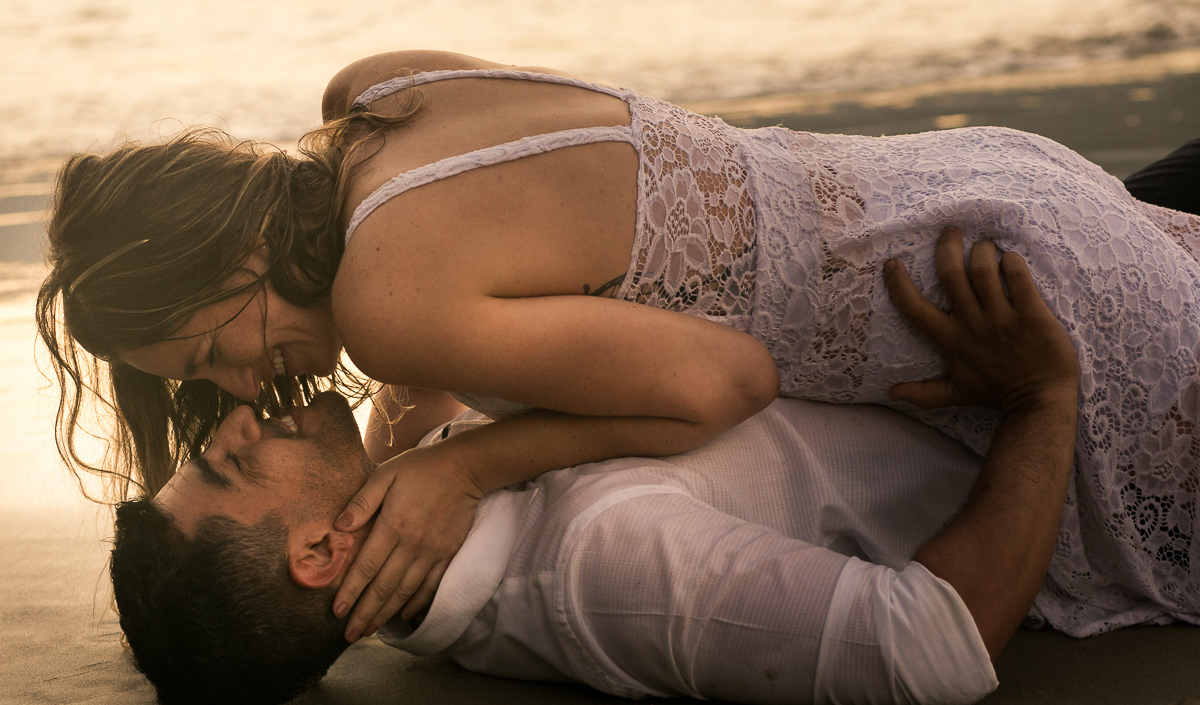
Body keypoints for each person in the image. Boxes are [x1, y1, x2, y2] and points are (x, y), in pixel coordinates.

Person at [40, 50, 1200, 646]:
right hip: (974, 188)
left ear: (230, 253)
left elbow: (726, 380)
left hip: (991, 304)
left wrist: (465, 465)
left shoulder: (390, 303)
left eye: (205, 351)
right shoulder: (369, 100)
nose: (240, 387)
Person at [112, 236, 1079, 705]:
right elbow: (935, 647)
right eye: (236, 460)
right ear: (321, 552)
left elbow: (418, 360)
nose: (240, 417)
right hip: (1062, 439)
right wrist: (1043, 398)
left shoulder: (418, 511)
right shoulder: (603, 563)